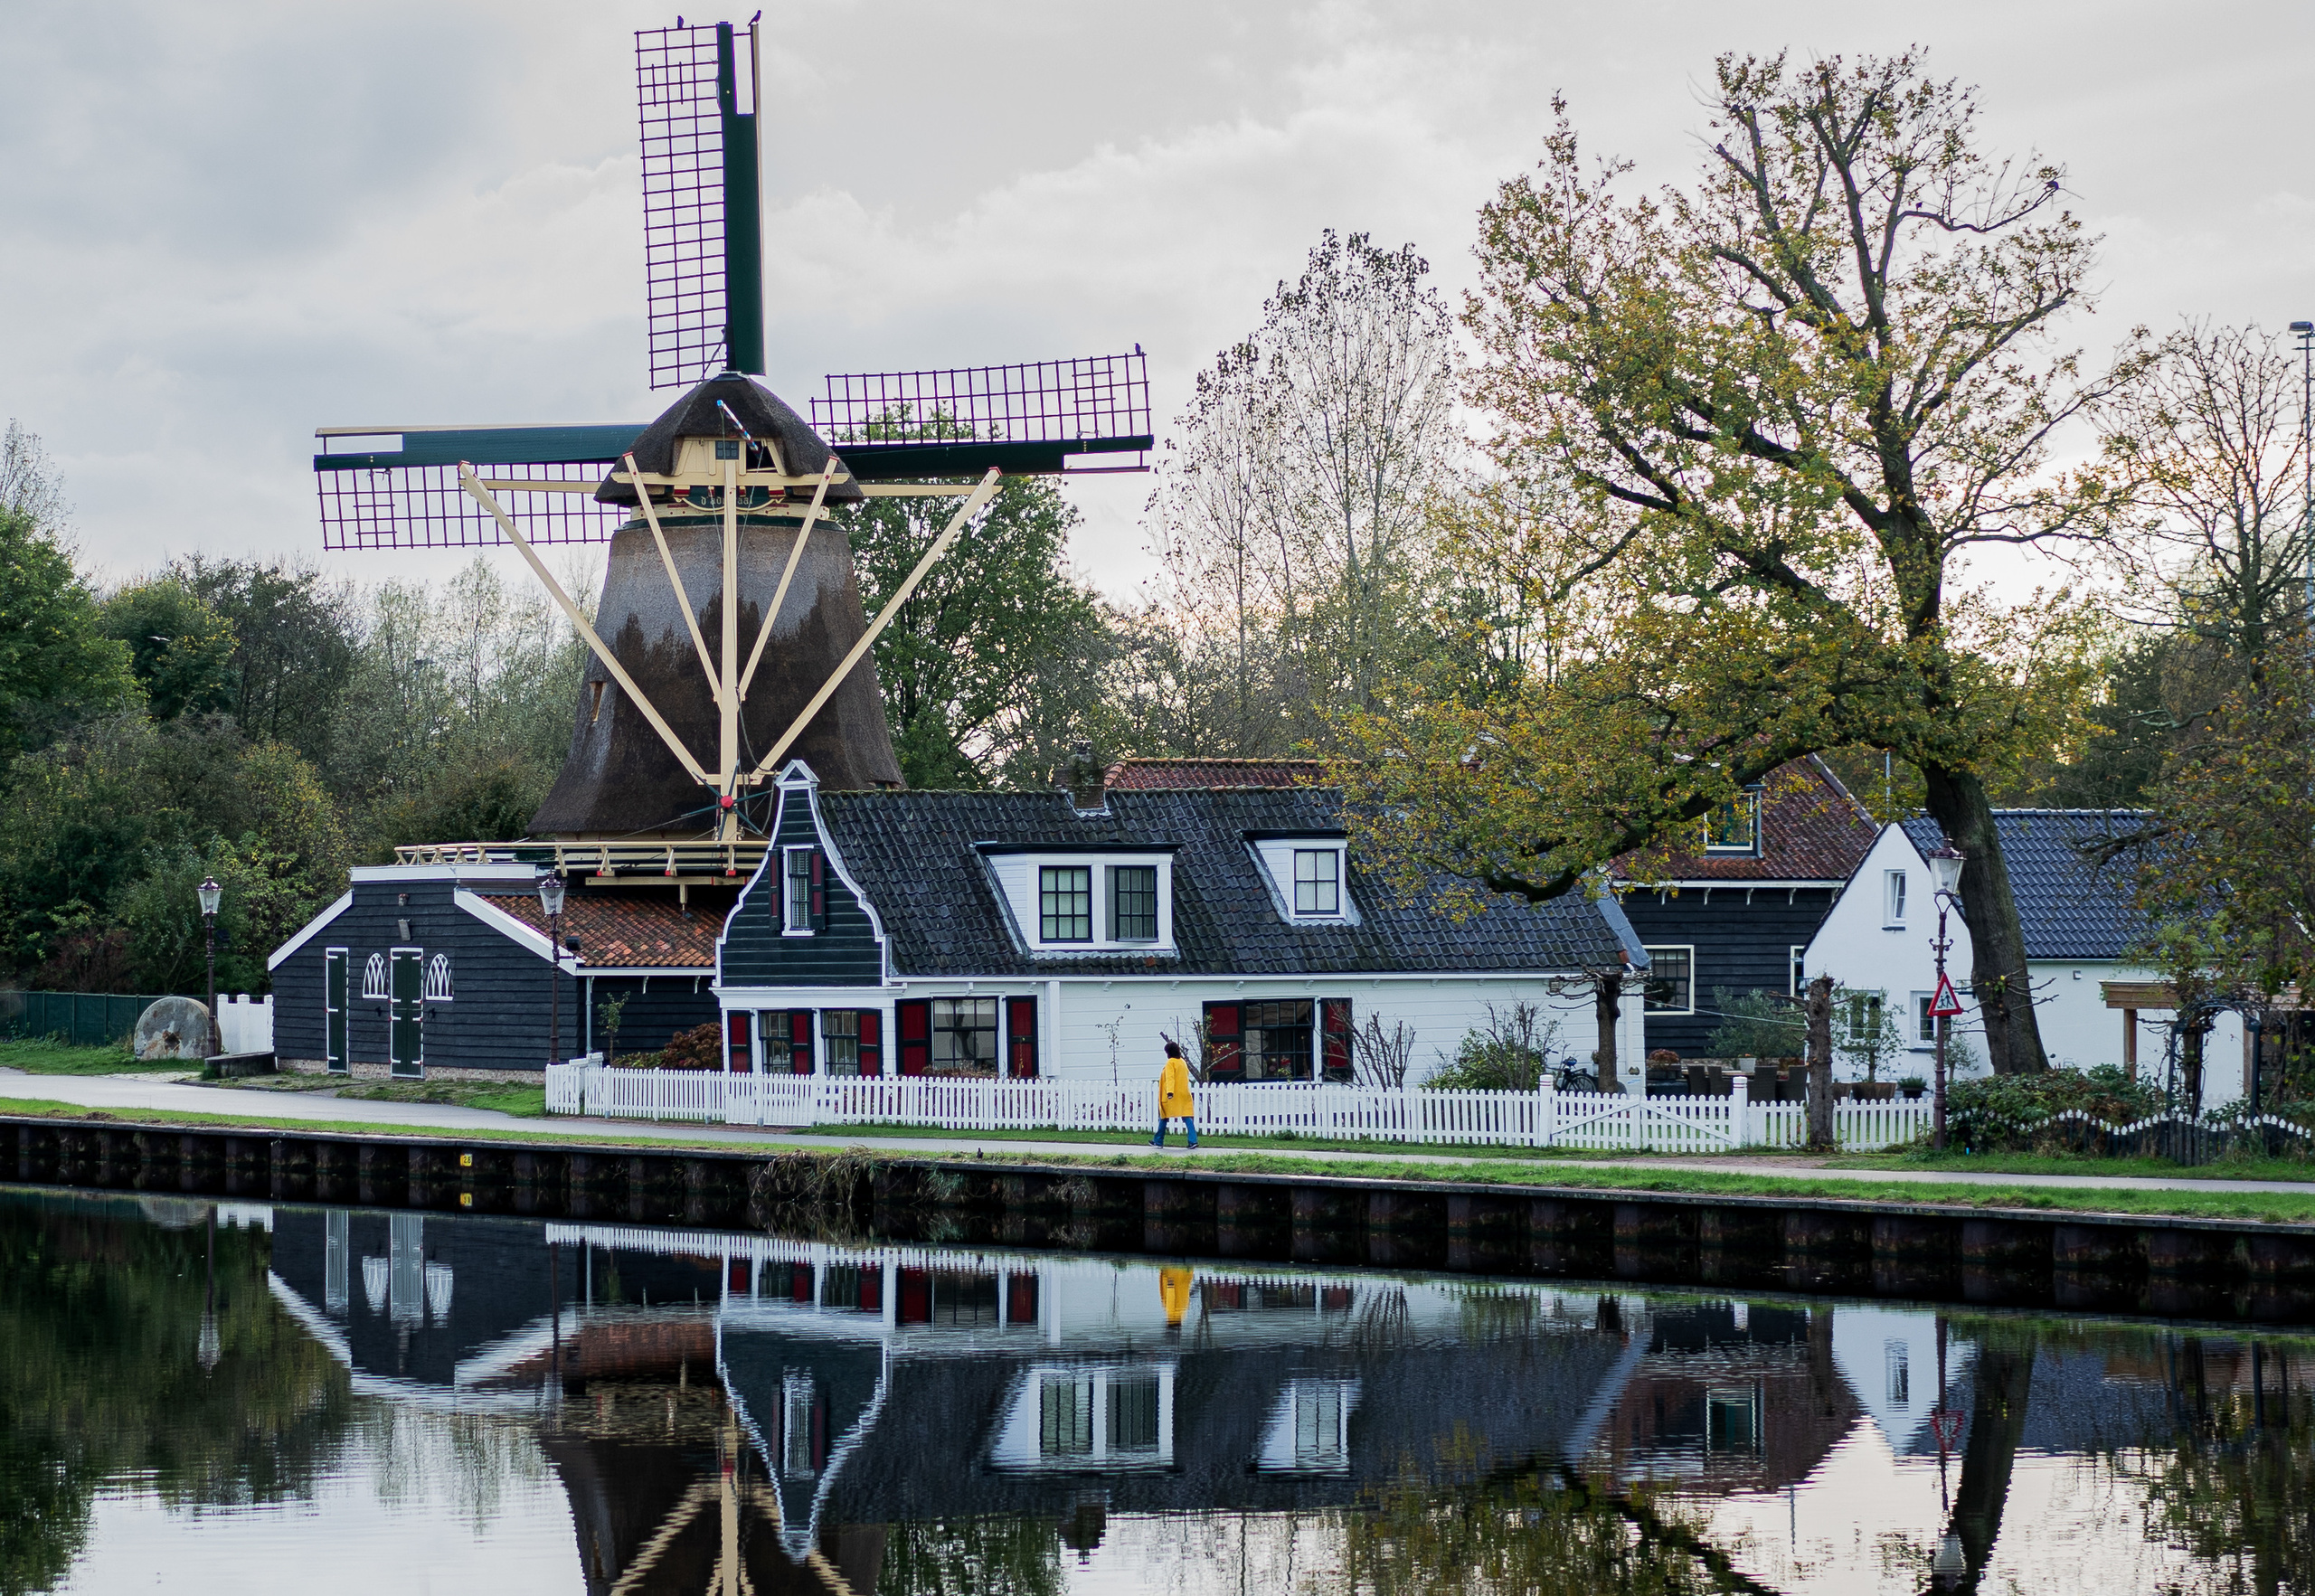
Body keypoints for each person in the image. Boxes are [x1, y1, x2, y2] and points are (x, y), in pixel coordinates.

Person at [1152, 1040, 1198, 1148]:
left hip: (1172, 1095)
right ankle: (1193, 1140)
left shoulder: (1170, 1063)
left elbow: (1170, 1078)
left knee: (1164, 1116)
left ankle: (1159, 1141)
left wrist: (1169, 1092)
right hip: (1184, 1094)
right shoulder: (1182, 1062)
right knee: (1187, 1117)